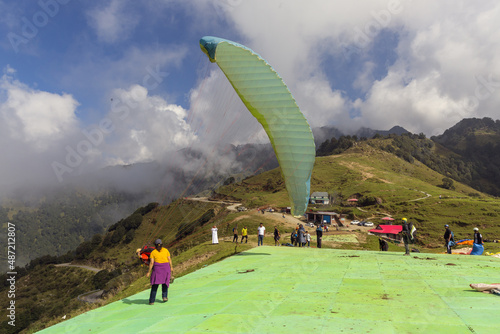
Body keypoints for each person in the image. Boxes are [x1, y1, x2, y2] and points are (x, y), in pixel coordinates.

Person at [146, 239, 173, 305]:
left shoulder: (153, 252)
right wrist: (171, 267)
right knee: (165, 283)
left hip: (157, 269)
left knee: (155, 285)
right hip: (166, 268)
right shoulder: (166, 250)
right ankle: (164, 297)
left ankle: (152, 301)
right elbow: (169, 259)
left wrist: (148, 272)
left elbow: (152, 263)